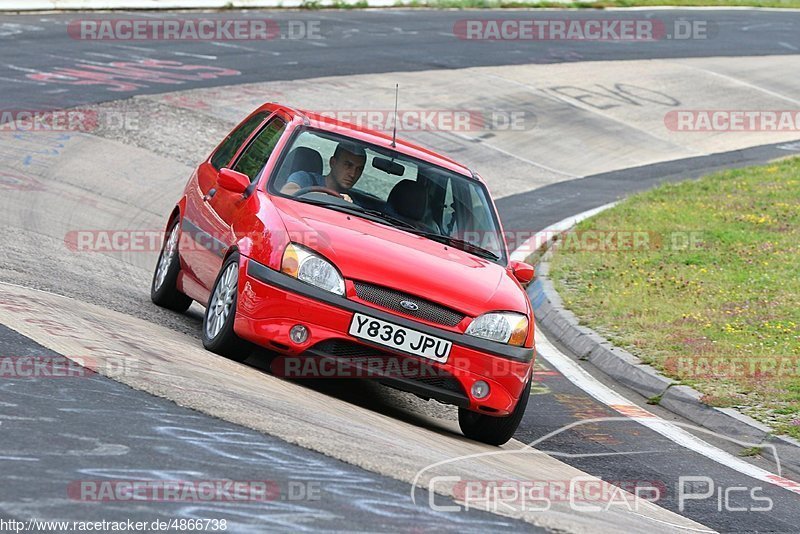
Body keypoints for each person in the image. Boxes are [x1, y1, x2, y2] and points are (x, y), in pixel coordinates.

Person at [280, 141, 366, 203]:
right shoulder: (305, 179)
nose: (353, 174)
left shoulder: (354, 202)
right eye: (348, 165)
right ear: (333, 163)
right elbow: (286, 192)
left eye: (359, 169)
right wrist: (316, 195)